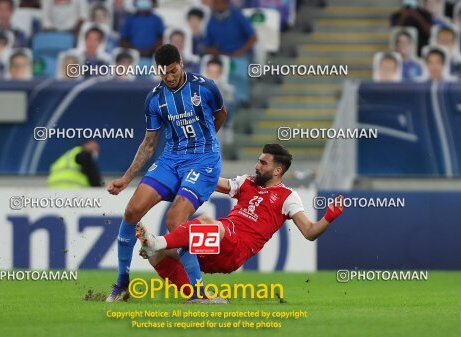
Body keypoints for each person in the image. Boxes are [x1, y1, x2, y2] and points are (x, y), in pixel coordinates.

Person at [135, 144, 344, 302]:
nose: (257, 165)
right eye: (258, 160)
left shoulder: (288, 197)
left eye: (263, 163)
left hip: (236, 249)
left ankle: (157, 241)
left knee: (205, 222)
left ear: (278, 170)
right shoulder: (248, 182)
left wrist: (328, 218)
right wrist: (188, 172)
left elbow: (309, 231)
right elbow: (216, 182)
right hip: (217, 246)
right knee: (159, 254)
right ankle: (197, 296)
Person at [106, 44, 228, 302]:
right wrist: (126, 179)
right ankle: (122, 284)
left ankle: (199, 293)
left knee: (175, 222)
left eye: (173, 71)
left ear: (181, 63)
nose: (169, 77)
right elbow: (149, 143)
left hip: (203, 160)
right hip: (171, 159)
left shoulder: (205, 87)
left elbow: (221, 116)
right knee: (131, 212)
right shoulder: (154, 99)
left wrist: (205, 144)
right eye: (164, 73)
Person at [204, 0, 256, 104]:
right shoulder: (211, 20)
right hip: (222, 54)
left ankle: (242, 99)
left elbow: (253, 38)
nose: (218, 5)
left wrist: (241, 51)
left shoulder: (238, 16)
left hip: (240, 53)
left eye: (220, 3)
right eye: (215, 3)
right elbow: (207, 44)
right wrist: (215, 52)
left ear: (226, 3)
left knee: (239, 65)